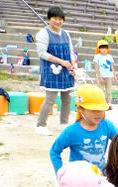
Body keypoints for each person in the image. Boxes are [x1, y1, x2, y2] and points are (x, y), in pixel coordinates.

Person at [49, 84, 118, 175]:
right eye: (94, 110)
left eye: (101, 109)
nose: (98, 113)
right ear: (80, 109)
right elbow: (54, 151)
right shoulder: (72, 131)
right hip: (79, 178)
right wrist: (60, 174)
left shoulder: (107, 126)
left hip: (101, 175)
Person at [35, 6, 75, 136]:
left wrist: (73, 66)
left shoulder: (65, 34)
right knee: (50, 99)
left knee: (67, 98)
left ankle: (64, 124)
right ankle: (40, 125)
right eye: (55, 19)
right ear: (49, 19)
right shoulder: (43, 33)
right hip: (51, 71)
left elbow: (70, 51)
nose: (57, 22)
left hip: (66, 71)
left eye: (60, 19)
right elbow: (42, 54)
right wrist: (61, 62)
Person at [93, 40, 117, 109]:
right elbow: (96, 68)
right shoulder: (97, 57)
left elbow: (112, 67)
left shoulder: (109, 57)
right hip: (100, 76)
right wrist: (100, 77)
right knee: (100, 90)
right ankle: (101, 102)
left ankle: (109, 103)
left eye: (105, 48)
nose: (104, 50)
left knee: (108, 90)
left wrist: (114, 75)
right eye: (102, 48)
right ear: (99, 49)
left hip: (109, 76)